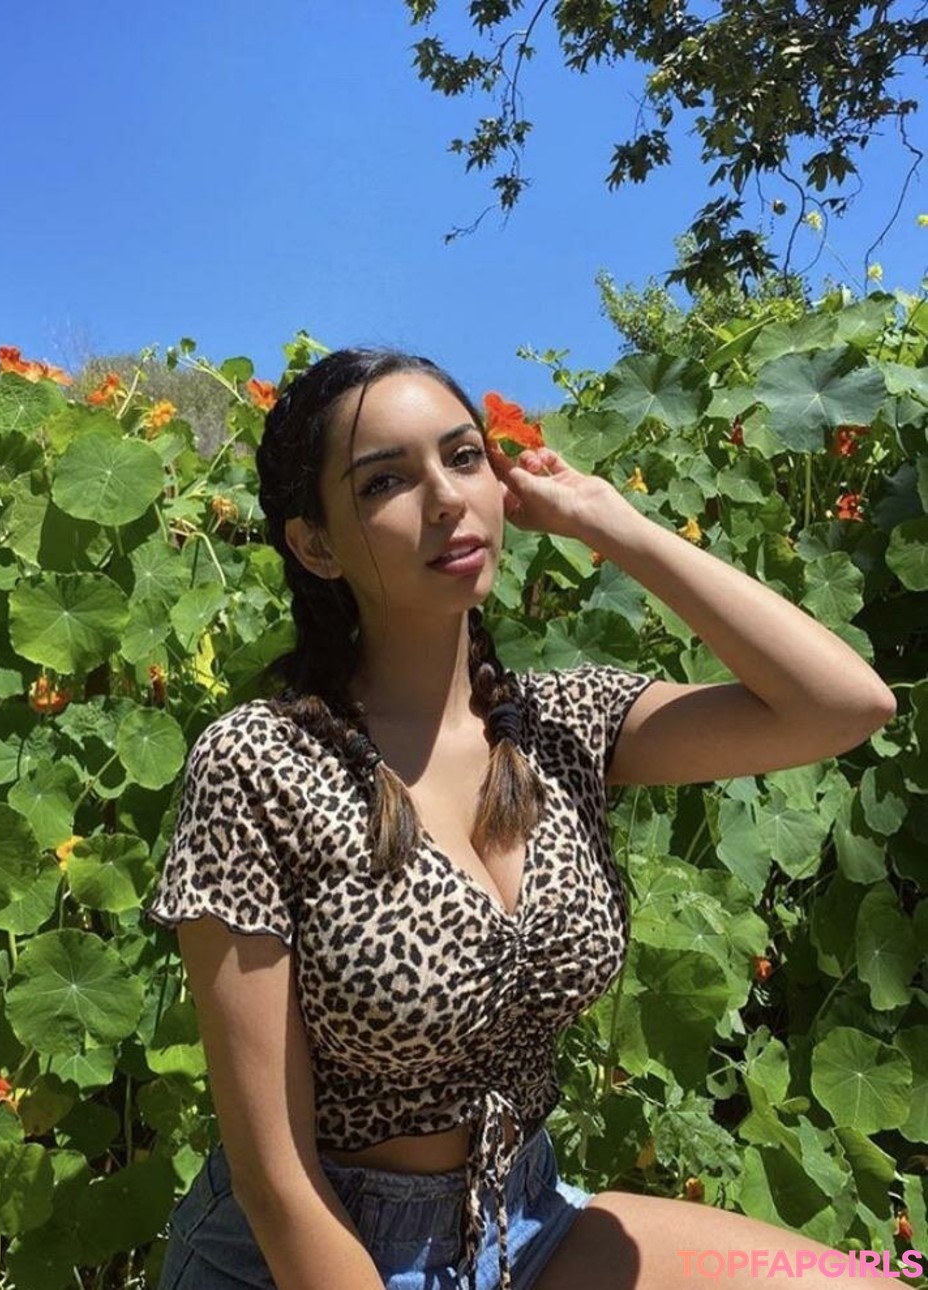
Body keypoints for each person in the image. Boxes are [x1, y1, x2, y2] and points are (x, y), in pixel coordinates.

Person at [145, 348, 896, 1290]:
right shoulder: (259, 764)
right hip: (311, 1251)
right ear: (316, 545)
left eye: (464, 458)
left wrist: (613, 524)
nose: (446, 498)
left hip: (520, 1218)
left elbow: (843, 706)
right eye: (385, 481)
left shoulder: (560, 724)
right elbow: (276, 1179)